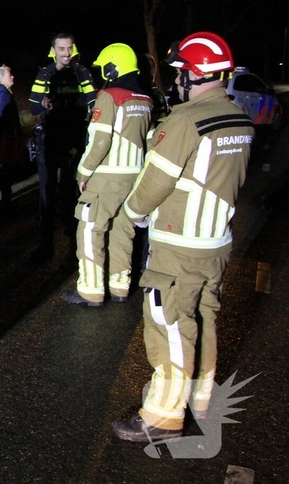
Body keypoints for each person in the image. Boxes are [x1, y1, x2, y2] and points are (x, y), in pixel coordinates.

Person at [112, 32, 253, 443]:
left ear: (195, 74)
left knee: (170, 325)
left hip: (178, 246)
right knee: (204, 318)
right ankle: (200, 399)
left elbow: (153, 184)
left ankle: (163, 416)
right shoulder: (238, 118)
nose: (176, 81)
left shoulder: (184, 121)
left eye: (180, 73)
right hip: (216, 243)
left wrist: (133, 215)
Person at [61, 44, 154, 307]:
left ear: (113, 67)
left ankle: (90, 290)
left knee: (90, 229)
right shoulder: (144, 99)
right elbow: (149, 140)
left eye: (105, 68)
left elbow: (100, 141)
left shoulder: (110, 96)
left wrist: (82, 172)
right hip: (134, 177)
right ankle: (120, 287)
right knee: (123, 230)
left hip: (106, 177)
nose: (103, 73)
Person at [28, 32, 96, 257]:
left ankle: (74, 250)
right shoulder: (45, 73)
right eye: (61, 49)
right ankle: (46, 245)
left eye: (69, 48)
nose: (66, 53)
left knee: (71, 194)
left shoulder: (82, 72)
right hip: (50, 140)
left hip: (74, 139)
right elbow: (33, 107)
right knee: (46, 196)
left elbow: (93, 102)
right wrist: (44, 103)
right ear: (53, 50)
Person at [0, 64, 23, 209]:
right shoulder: (2, 94)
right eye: (9, 75)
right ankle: (2, 200)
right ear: (1, 79)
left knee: (0, 168)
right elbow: (0, 118)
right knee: (2, 168)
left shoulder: (1, 92)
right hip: (3, 137)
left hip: (1, 136)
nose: (12, 76)